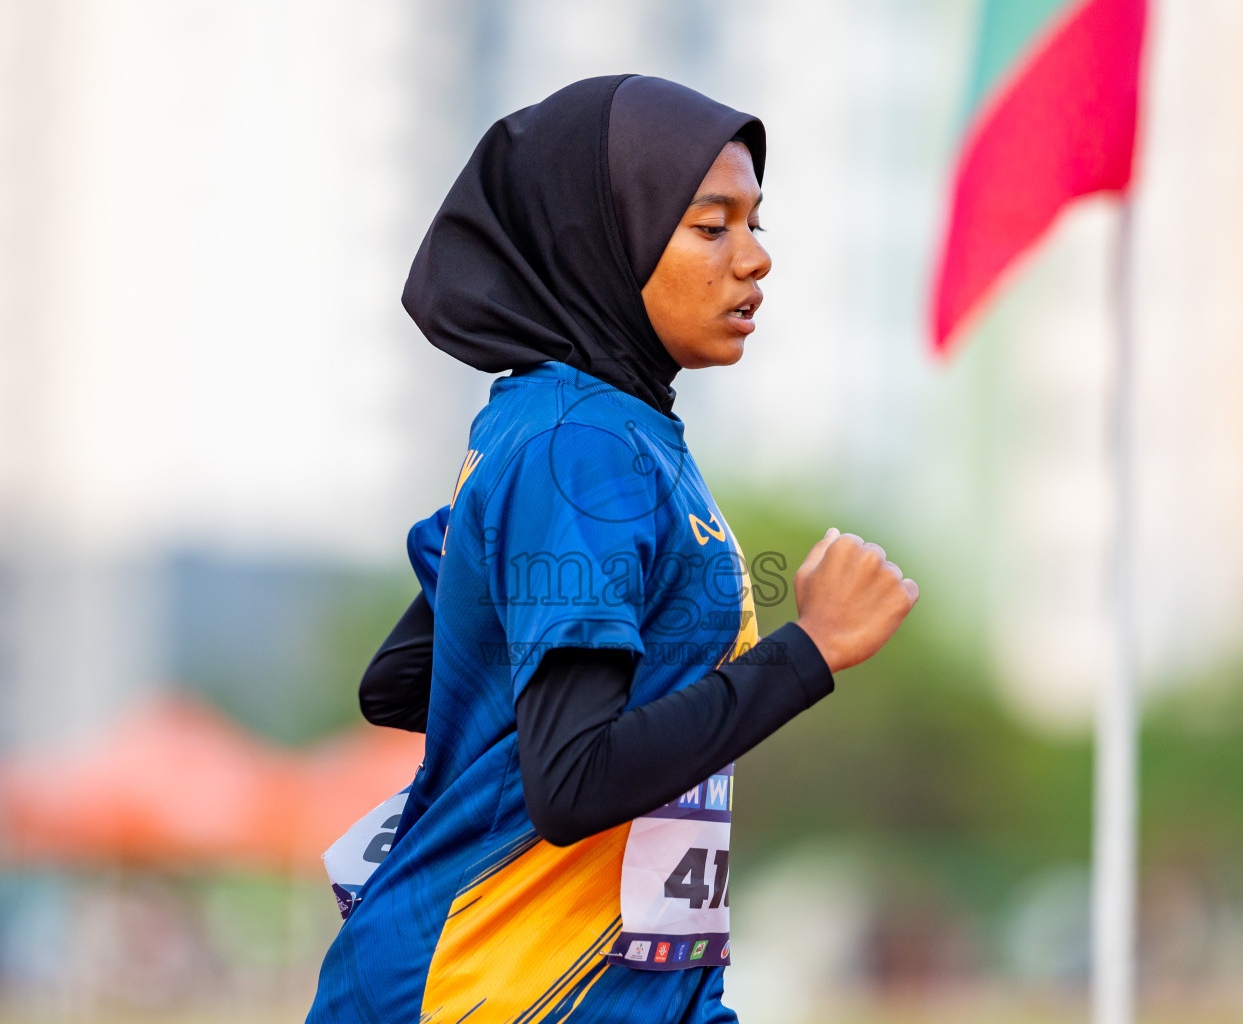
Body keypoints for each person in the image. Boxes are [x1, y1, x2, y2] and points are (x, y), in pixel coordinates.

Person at [306, 74, 918, 1024]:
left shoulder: (596, 433)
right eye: (712, 227)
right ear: (602, 240)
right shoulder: (578, 444)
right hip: (489, 990)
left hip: (611, 991)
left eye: (757, 223)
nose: (755, 260)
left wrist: (486, 573)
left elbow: (399, 679)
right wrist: (813, 649)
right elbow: (573, 780)